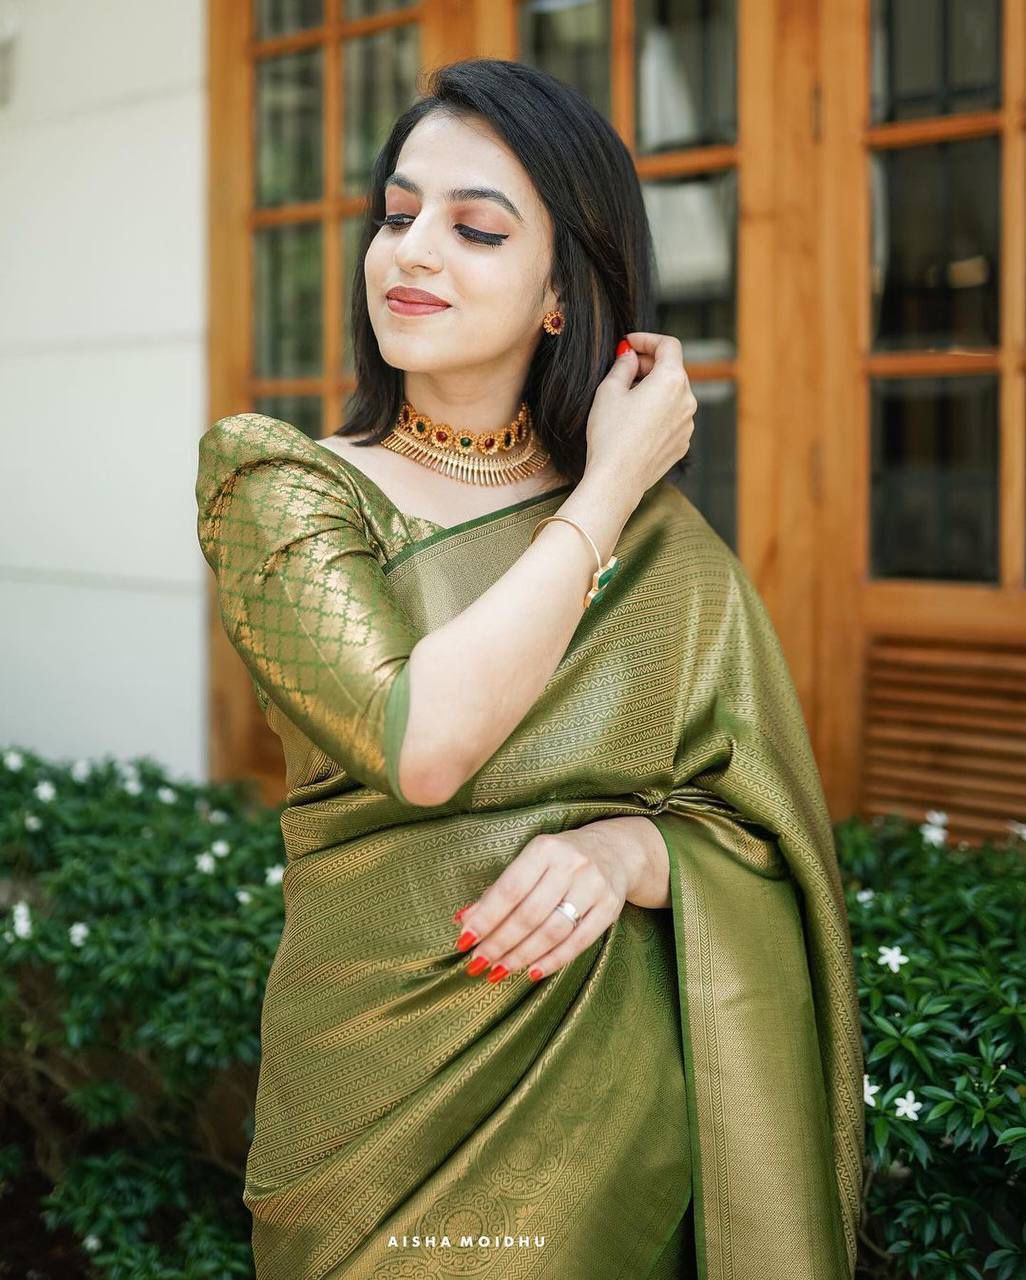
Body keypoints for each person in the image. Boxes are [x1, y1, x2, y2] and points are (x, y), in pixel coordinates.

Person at [196, 58, 864, 1280]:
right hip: (368, 1109)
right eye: (397, 214)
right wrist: (606, 487)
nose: (411, 252)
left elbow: (762, 826)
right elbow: (422, 741)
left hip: (615, 1124)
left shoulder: (667, 550)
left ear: (562, 292)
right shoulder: (281, 486)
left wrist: (633, 852)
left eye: (477, 228)